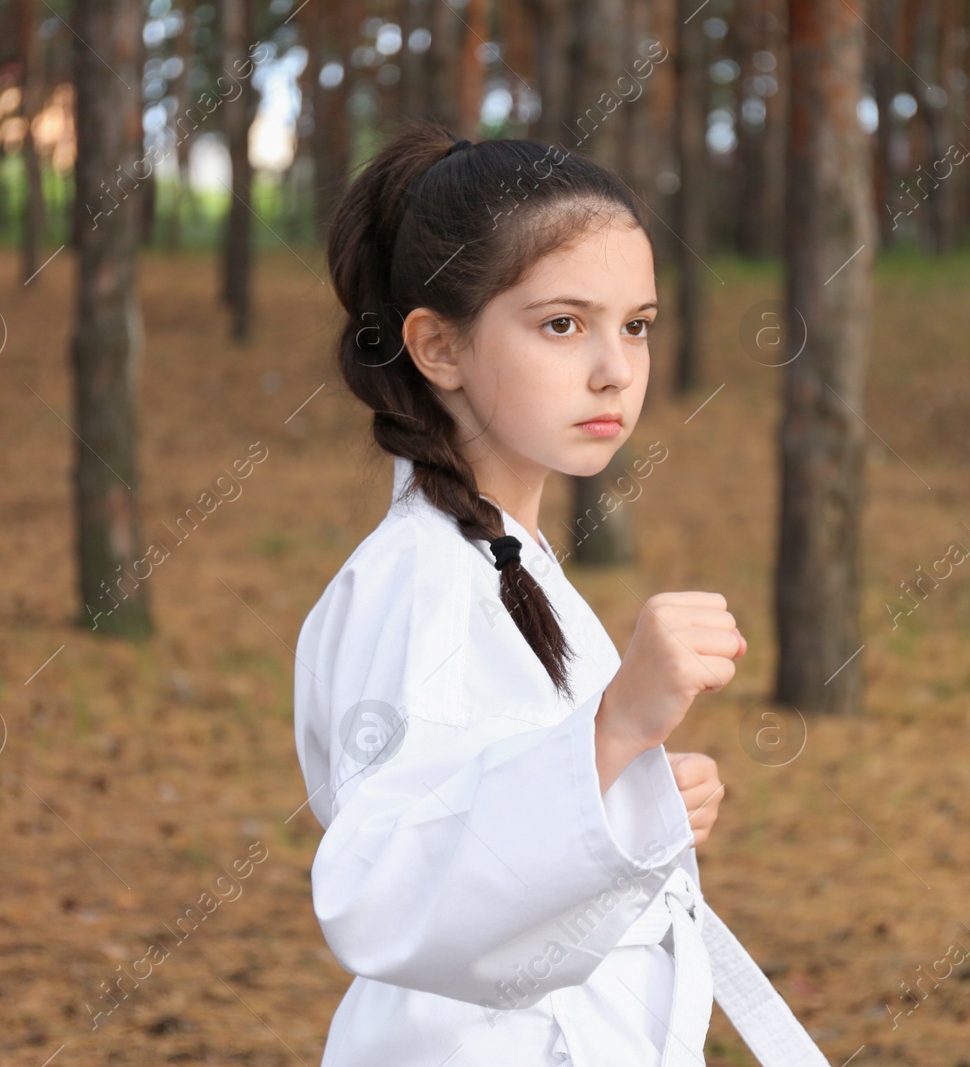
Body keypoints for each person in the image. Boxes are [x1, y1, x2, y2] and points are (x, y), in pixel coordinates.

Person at [293, 119, 831, 1066]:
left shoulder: (506, 556)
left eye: (637, 326)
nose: (615, 368)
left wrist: (633, 786)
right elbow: (380, 890)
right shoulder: (415, 582)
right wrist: (615, 729)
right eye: (562, 323)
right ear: (439, 347)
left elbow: (498, 800)